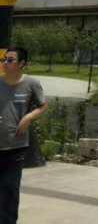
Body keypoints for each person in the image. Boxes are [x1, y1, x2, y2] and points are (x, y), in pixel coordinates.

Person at [0, 47, 47, 224]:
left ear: (21, 63)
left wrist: (28, 117)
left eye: (10, 60)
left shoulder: (31, 84)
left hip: (16, 146)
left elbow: (42, 106)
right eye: (4, 59)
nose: (5, 62)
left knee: (10, 189)